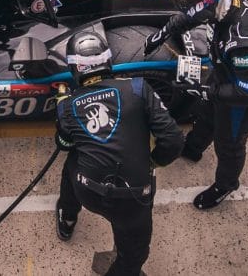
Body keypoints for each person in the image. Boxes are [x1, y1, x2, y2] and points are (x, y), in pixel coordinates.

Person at [143, 0, 248, 209]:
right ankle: (193, 148)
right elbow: (191, 15)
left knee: (229, 145)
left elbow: (247, 93)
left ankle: (225, 185)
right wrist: (164, 33)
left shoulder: (243, 44)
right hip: (224, 74)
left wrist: (205, 90)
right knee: (205, 115)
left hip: (243, 100)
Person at [54, 32, 183, 276]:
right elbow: (174, 140)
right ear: (108, 61)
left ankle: (68, 218)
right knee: (133, 257)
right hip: (134, 197)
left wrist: (62, 109)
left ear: (74, 68)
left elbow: (63, 144)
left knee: (73, 161)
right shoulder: (137, 88)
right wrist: (153, 161)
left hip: (88, 190)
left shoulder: (67, 105)